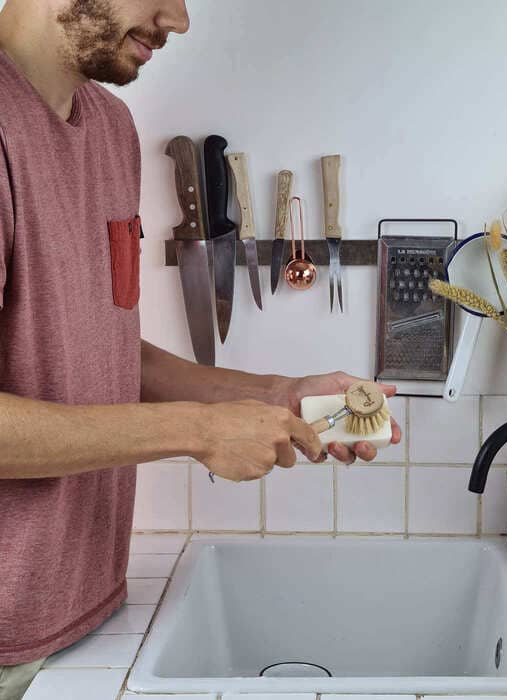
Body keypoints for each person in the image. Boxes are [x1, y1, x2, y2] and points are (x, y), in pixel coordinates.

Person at [0, 1, 401, 697]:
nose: (178, 20)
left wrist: (274, 394)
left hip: (86, 611)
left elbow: (112, 348)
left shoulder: (110, 128)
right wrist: (197, 430)